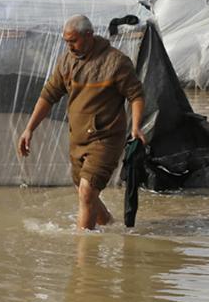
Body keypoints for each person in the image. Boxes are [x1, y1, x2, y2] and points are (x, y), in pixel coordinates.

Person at [17, 15, 146, 230]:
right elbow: (49, 95)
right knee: (86, 193)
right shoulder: (67, 61)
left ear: (89, 36)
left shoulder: (116, 62)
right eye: (66, 41)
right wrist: (29, 129)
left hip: (106, 138)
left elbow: (136, 95)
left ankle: (83, 255)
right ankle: (112, 227)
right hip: (78, 139)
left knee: (87, 191)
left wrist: (136, 127)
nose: (69, 46)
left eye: (73, 41)